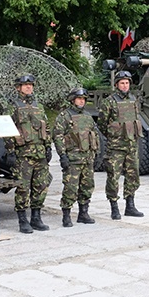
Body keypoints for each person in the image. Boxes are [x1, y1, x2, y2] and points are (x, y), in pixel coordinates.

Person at [6, 75, 51, 234]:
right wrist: (10, 151)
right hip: (23, 154)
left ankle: (36, 217)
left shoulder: (38, 106)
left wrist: (48, 147)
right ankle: (22, 220)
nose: (28, 88)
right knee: (23, 187)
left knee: (41, 185)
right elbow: (7, 129)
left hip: (39, 153)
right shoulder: (12, 106)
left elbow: (46, 127)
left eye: (30, 85)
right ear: (18, 87)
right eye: (25, 85)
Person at [98, 70, 144, 220]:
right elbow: (102, 124)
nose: (125, 85)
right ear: (116, 84)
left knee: (133, 176)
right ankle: (114, 207)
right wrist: (114, 136)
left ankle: (130, 205)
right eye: (122, 83)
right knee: (113, 177)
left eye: (127, 83)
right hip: (116, 147)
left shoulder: (133, 100)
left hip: (131, 145)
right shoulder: (109, 102)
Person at [53, 87, 99, 227]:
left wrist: (96, 154)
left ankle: (83, 213)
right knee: (70, 188)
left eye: (83, 99)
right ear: (73, 100)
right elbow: (58, 136)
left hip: (87, 158)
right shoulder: (64, 116)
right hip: (73, 159)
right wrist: (62, 156)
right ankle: (66, 215)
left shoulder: (87, 116)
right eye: (79, 98)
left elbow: (94, 135)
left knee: (87, 186)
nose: (81, 101)